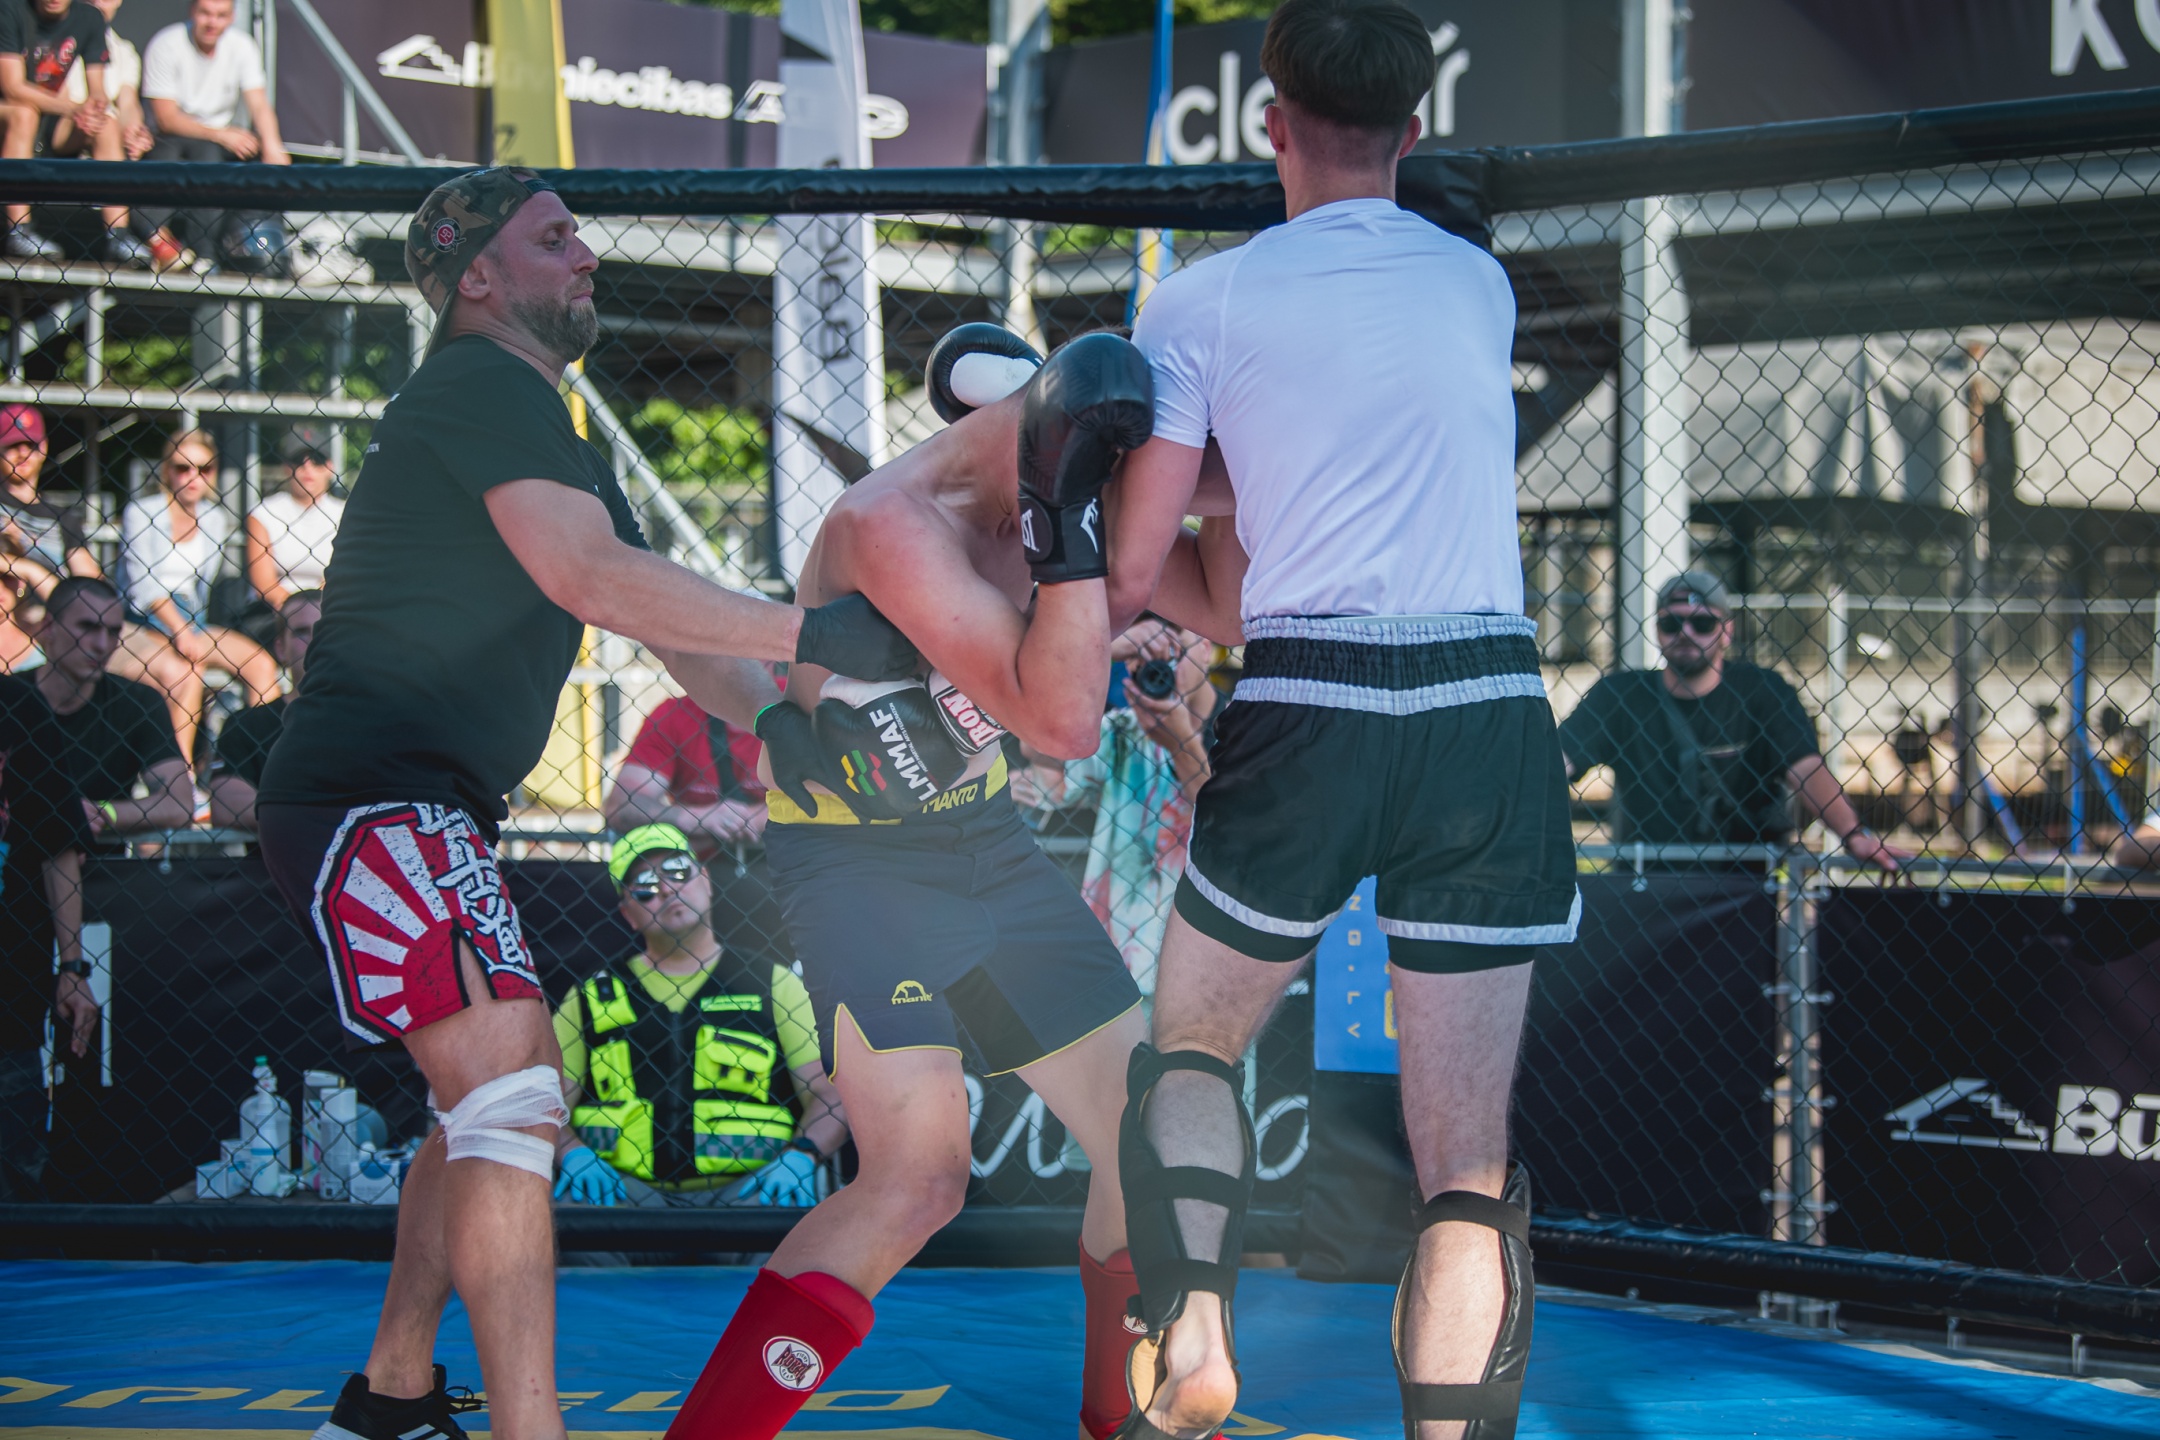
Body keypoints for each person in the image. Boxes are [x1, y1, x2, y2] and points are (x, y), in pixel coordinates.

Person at [249, 167, 919, 1440]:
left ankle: (391, 1400)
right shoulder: (478, 382)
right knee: (514, 1096)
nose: (588, 254)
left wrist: (808, 725)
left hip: (407, 804)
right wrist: (821, 632)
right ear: (477, 277)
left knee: (480, 1103)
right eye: (554, 237)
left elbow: (681, 643)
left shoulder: (549, 428)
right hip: (375, 796)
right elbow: (590, 577)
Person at [1100, 5, 1579, 1436]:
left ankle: (1194, 1329)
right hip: (1487, 702)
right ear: (1415, 131)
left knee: (1193, 1049)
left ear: (1272, 124)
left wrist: (1131, 497)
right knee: (1463, 1167)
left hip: (1311, 691)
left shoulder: (1199, 303)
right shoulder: (1477, 283)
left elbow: (1143, 572)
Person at [661, 323, 1155, 1440]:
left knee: (1151, 1137)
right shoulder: (890, 523)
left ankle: (1124, 1421)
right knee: (917, 1179)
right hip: (862, 866)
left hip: (988, 843)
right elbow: (688, 631)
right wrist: (770, 716)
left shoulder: (1073, 506)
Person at [550, 823, 847, 1209]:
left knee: (793, 1216)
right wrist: (572, 1153)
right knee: (570, 1210)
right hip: (619, 1191)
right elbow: (545, 1104)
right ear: (628, 913)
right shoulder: (591, 995)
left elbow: (830, 1095)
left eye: (677, 870)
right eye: (644, 886)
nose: (666, 889)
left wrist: (801, 1156)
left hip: (755, 1188)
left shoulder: (773, 983)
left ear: (705, 880)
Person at [1557, 571, 1904, 872]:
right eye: (1672, 623)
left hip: (1739, 885)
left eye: (1702, 623)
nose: (1686, 632)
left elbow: (1805, 767)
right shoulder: (1621, 695)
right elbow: (1561, 759)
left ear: (1726, 631)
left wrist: (1854, 834)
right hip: (1646, 880)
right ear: (1657, 631)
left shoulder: (1762, 691)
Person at [1018, 616, 1220, 998]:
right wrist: (1100, 651)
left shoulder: (1243, 728)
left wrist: (1181, 739)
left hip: (1202, 964)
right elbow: (1038, 747)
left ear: (1206, 650)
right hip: (1114, 959)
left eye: (1175, 652)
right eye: (1145, 656)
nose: (1162, 667)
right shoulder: (1125, 729)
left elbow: (1225, 822)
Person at [114, 427, 278, 759]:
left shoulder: (213, 518)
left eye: (205, 468)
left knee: (260, 664)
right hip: (146, 617)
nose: (193, 477)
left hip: (193, 618)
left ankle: (262, 759)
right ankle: (180, 771)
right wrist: (179, 630)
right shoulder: (142, 512)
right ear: (166, 471)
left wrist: (187, 629)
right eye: (183, 468)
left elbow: (200, 589)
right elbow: (144, 587)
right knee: (188, 673)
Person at [0, 665, 94, 1200]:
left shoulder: (18, 706)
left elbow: (58, 843)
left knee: (15, 1191)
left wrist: (73, 967)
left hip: (8, 1000)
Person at [604, 693, 786, 967]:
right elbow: (621, 805)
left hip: (792, 872)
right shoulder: (675, 714)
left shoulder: (797, 702)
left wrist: (759, 817)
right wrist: (698, 818)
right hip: (701, 878)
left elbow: (840, 791)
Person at [23, 576, 192, 842]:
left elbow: (179, 804)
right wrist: (54, 814)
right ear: (48, 627)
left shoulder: (137, 702)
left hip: (104, 864)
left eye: (113, 632)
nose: (102, 645)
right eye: (87, 627)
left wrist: (102, 813)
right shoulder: (9, 699)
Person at [135, 0, 289, 270]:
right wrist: (221, 135)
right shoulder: (166, 44)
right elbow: (166, 119)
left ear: (232, 17)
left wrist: (273, 147)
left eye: (221, 15)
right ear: (192, 12)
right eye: (205, 13)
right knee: (205, 155)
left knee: (237, 158)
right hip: (169, 140)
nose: (212, 23)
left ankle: (207, 254)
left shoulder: (242, 46)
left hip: (217, 142)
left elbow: (259, 105)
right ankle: (193, 251)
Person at [0, 0, 149, 264]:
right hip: (10, 113)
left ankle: (118, 234)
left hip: (49, 123)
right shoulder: (10, 9)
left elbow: (98, 89)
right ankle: (19, 230)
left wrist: (93, 109)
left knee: (105, 123)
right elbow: (13, 88)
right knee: (24, 114)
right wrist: (74, 108)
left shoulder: (89, 18)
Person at [206, 588, 317, 831]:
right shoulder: (248, 725)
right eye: (301, 633)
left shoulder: (372, 721)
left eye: (325, 631)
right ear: (281, 648)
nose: (314, 642)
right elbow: (227, 805)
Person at [0, 404, 100, 608]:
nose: (22, 453)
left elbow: (90, 582)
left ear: (44, 448)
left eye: (31, 445)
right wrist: (25, 564)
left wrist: (27, 564)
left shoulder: (64, 518)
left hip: (53, 610)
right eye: (13, 445)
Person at [246, 424, 344, 609]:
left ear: (330, 467)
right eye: (298, 460)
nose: (307, 467)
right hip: (272, 610)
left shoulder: (344, 514)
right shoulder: (263, 513)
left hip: (328, 607)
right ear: (286, 467)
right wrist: (299, 611)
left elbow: (341, 578)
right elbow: (264, 585)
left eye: (317, 460)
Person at [63, 0, 150, 160]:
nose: (97, 3)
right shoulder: (60, 41)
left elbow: (128, 104)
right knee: (105, 125)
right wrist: (84, 113)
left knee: (107, 124)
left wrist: (133, 133)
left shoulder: (125, 51)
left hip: (104, 130)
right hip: (64, 126)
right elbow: (58, 102)